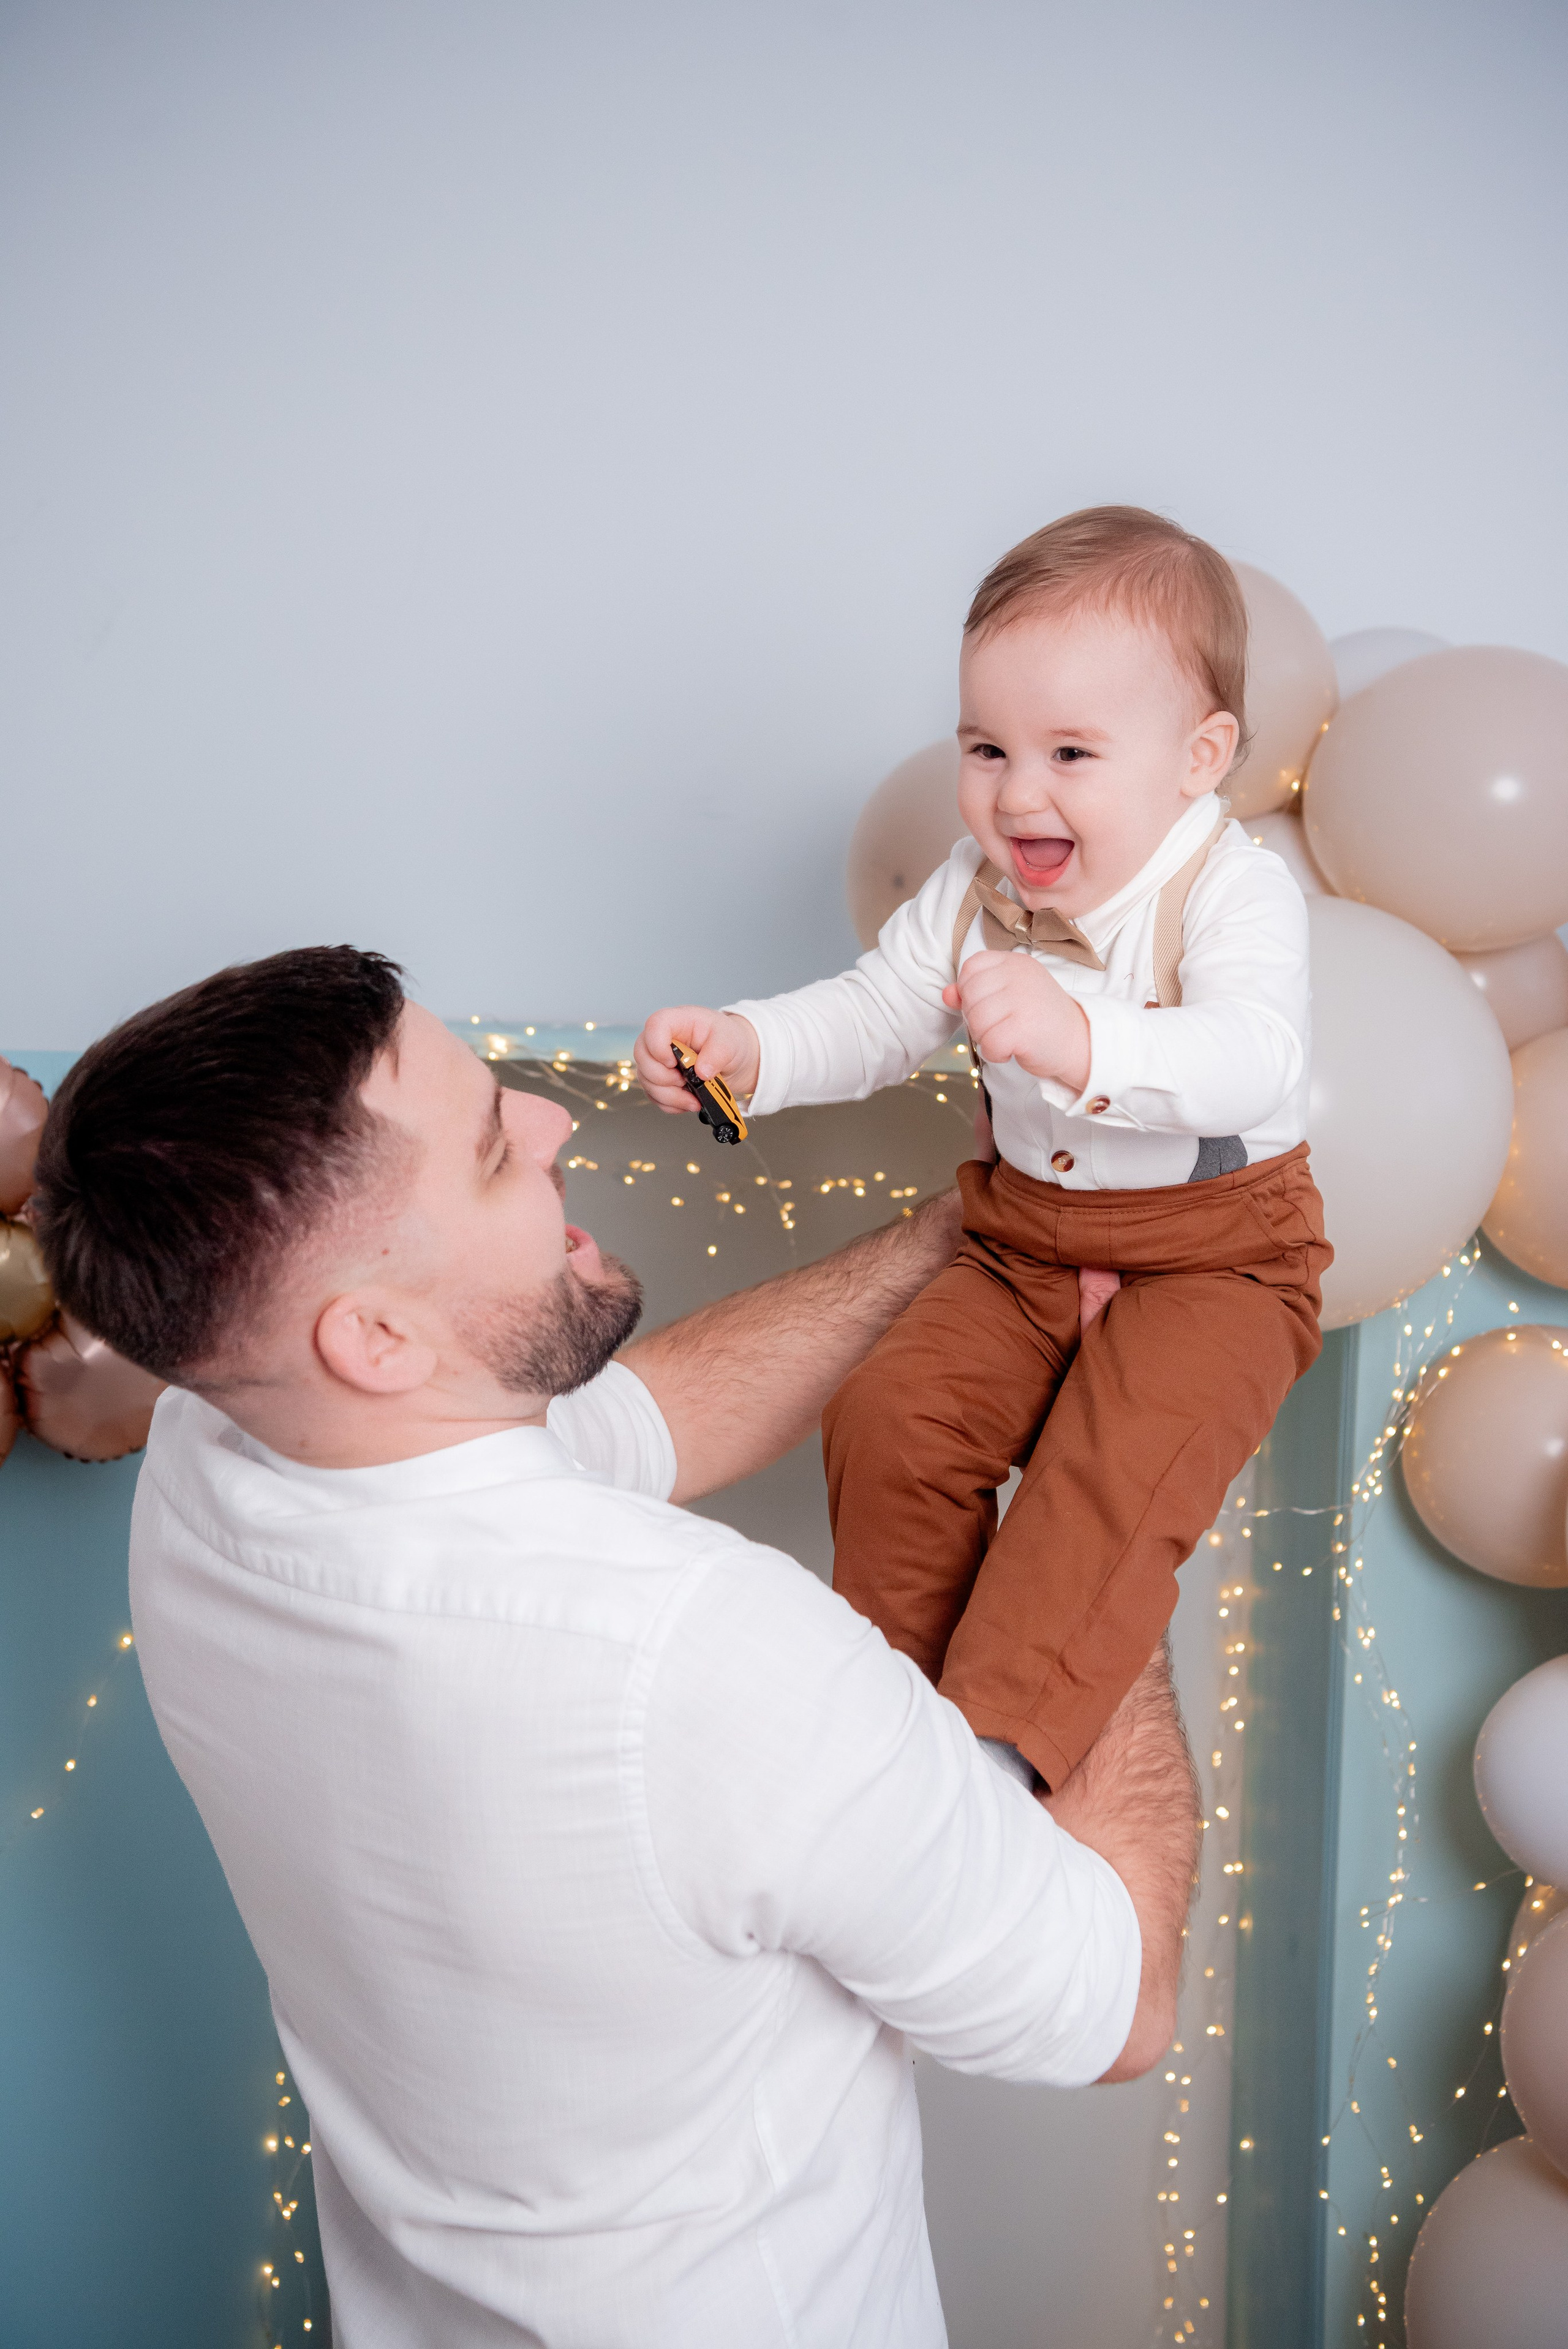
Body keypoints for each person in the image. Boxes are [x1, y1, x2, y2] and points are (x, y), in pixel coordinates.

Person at [33, 947, 1199, 2349]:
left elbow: (642, 1420)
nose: (551, 1121)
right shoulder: (705, 1656)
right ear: (377, 1337)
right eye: (490, 1152)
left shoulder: (213, 1452)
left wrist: (970, 1229)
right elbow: (1114, 2004)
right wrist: (1110, 1463)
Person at [636, 505, 1332, 1793]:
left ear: (1198, 756)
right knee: (893, 1417)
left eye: (1070, 752)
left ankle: (995, 1757)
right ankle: (895, 1715)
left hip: (1218, 1256)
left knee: (1105, 1479)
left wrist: (1081, 1037)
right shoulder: (970, 888)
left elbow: (1256, 1059)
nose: (1017, 792)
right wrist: (747, 1048)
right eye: (986, 747)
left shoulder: (1231, 890)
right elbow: (874, 1016)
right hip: (1020, 1242)